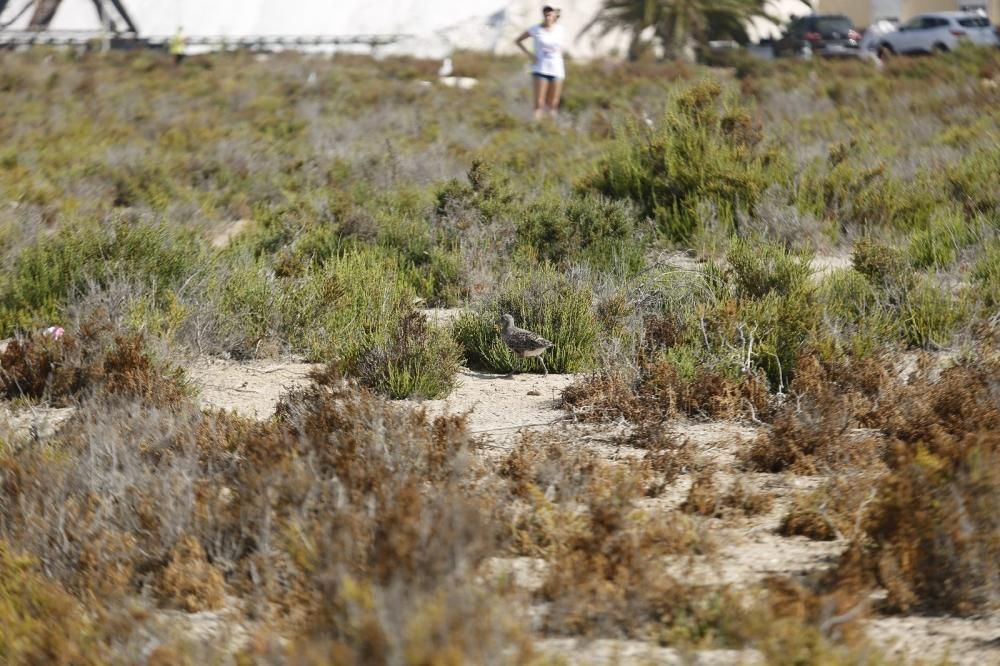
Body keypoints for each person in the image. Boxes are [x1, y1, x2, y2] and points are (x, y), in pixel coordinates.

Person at [515, 6, 565, 121]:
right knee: (539, 103)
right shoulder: (536, 29)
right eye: (545, 12)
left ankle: (552, 131)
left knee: (553, 104)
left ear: (555, 15)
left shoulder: (560, 29)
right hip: (540, 69)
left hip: (557, 70)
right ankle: (536, 128)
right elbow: (518, 41)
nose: (547, 14)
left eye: (550, 12)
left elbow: (561, 47)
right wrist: (530, 55)